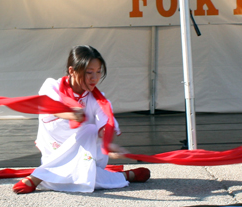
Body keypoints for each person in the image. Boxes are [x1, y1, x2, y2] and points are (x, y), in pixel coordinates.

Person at [13, 45, 150, 194]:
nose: (95, 78)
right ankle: (125, 176)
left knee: (90, 131)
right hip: (55, 154)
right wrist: (72, 114)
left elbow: (106, 123)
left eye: (98, 72)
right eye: (89, 72)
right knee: (82, 178)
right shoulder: (51, 86)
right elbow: (53, 108)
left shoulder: (99, 100)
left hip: (86, 153)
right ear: (72, 71)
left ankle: (38, 177)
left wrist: (107, 140)